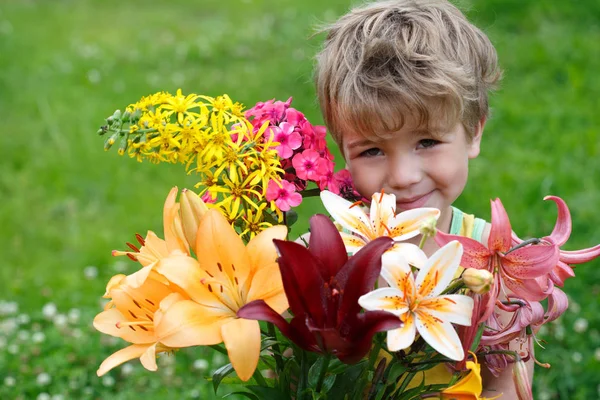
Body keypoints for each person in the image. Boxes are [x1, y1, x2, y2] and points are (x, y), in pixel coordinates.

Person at [314, 0, 529, 397]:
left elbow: (507, 386)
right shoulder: (328, 260)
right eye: (371, 151)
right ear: (342, 150)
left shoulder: (498, 263)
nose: (403, 177)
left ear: (474, 131)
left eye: (427, 141)